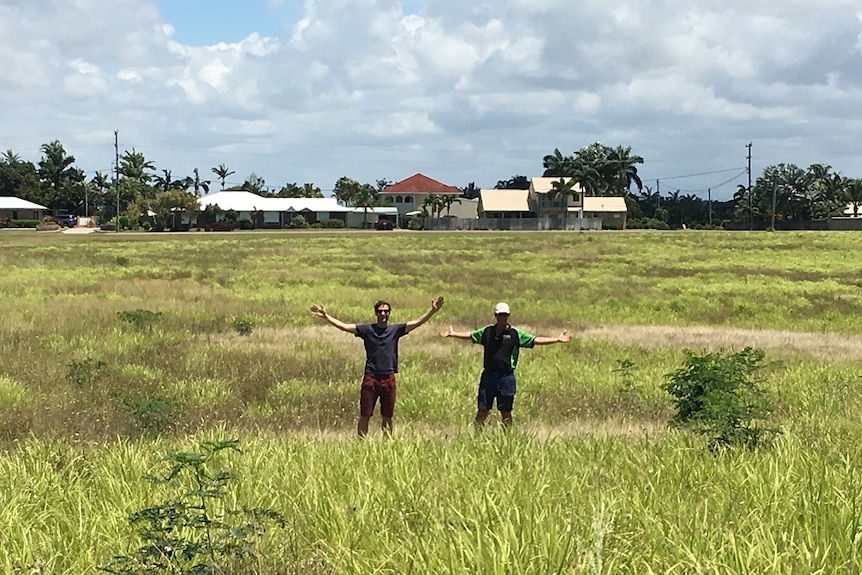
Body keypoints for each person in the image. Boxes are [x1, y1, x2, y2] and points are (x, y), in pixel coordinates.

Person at [310, 297, 445, 436]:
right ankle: (361, 444)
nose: (383, 314)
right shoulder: (367, 330)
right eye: (380, 311)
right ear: (376, 313)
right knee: (365, 414)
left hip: (388, 376)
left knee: (387, 416)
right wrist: (327, 317)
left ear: (389, 313)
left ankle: (387, 444)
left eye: (386, 311)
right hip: (371, 377)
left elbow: (417, 323)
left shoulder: (395, 329)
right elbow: (345, 326)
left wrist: (432, 311)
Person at [440, 301, 571, 429]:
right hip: (488, 377)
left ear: (508, 316)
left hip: (506, 377)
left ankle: (508, 439)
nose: (502, 317)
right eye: (500, 315)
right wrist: (453, 334)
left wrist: (556, 340)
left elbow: (535, 340)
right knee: (482, 410)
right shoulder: (487, 332)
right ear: (495, 315)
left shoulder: (515, 334)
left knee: (506, 412)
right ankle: (476, 437)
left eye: (505, 315)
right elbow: (471, 335)